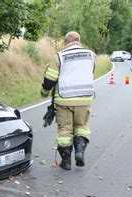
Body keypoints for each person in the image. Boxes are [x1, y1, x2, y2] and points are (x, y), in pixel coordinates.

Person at [40, 31, 96, 170]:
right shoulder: (91, 55)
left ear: (66, 42)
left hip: (64, 100)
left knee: (65, 130)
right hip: (84, 99)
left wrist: (45, 92)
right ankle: (79, 152)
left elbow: (50, 78)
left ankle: (66, 162)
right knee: (81, 127)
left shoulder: (59, 56)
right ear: (79, 40)